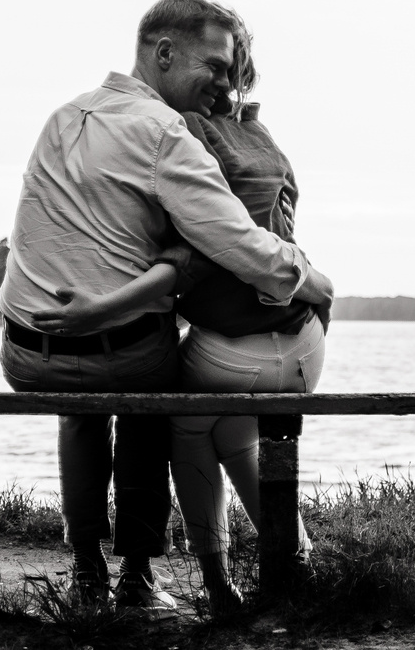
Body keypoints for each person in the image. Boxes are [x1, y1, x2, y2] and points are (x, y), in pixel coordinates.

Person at [0, 0, 332, 611]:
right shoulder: (164, 133)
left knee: (82, 410)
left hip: (24, 354)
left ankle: (86, 569)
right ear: (164, 52)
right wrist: (308, 279)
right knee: (156, 398)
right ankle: (138, 578)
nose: (224, 83)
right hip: (118, 357)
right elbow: (234, 240)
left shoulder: (64, 116)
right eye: (214, 65)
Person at [166, 35, 329, 617]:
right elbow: (284, 225)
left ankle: (217, 582)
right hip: (306, 342)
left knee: (187, 427)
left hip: (236, 349)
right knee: (233, 435)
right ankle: (297, 564)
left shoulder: (185, 132)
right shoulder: (264, 137)